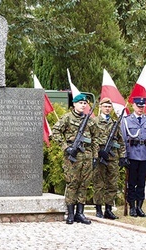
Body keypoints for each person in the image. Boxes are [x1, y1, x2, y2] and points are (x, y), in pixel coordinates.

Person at [52, 93, 99, 225]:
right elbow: (55, 132)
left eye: (85, 103)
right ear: (74, 104)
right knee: (73, 183)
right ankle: (71, 213)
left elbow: (95, 139)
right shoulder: (67, 118)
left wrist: (95, 156)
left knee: (84, 184)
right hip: (73, 157)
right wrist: (66, 147)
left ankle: (80, 213)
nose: (83, 105)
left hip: (87, 156)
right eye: (80, 103)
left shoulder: (90, 120)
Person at [120, 97, 146, 217]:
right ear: (133, 106)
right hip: (132, 155)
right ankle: (132, 207)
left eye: (142, 107)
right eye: (138, 106)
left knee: (141, 182)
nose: (140, 109)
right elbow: (123, 140)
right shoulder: (126, 120)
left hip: (144, 155)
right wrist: (124, 156)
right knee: (131, 183)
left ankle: (139, 207)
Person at [93, 97, 128, 220]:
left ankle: (108, 209)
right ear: (100, 107)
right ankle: (98, 208)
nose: (107, 109)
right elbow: (91, 139)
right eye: (105, 106)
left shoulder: (114, 123)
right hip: (99, 157)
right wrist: (98, 151)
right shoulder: (94, 122)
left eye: (109, 107)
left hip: (112, 157)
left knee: (112, 184)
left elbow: (121, 141)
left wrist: (123, 156)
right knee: (99, 184)